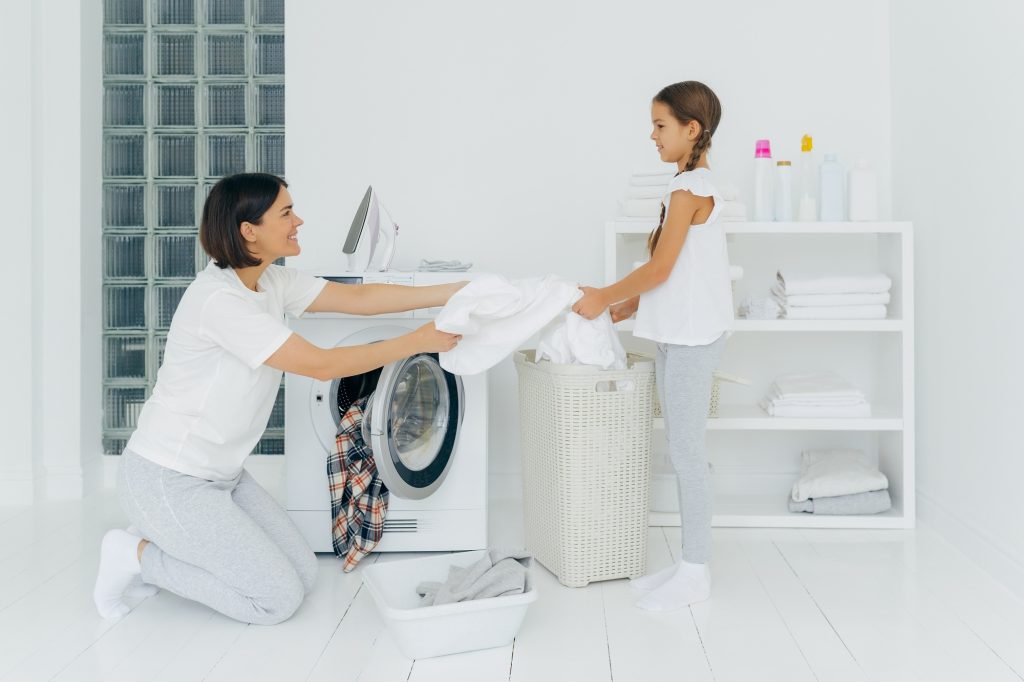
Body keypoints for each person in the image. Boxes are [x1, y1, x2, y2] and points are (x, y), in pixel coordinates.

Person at [93, 172, 464, 624]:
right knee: (276, 601)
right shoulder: (220, 302)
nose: (299, 220)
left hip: (222, 477)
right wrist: (418, 340)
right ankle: (133, 554)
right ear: (249, 230)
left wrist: (458, 291)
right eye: (286, 213)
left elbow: (362, 298)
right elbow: (321, 365)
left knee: (305, 573)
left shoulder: (269, 282)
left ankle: (174, 536)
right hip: (168, 478)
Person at [573, 81, 731, 611]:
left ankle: (696, 569)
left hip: (692, 338)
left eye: (661, 125)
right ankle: (689, 562)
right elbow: (675, 274)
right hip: (676, 334)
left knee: (687, 453)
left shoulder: (691, 189)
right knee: (682, 448)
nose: (652, 135)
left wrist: (601, 295)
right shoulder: (683, 186)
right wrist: (623, 306)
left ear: (692, 130)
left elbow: (660, 268)